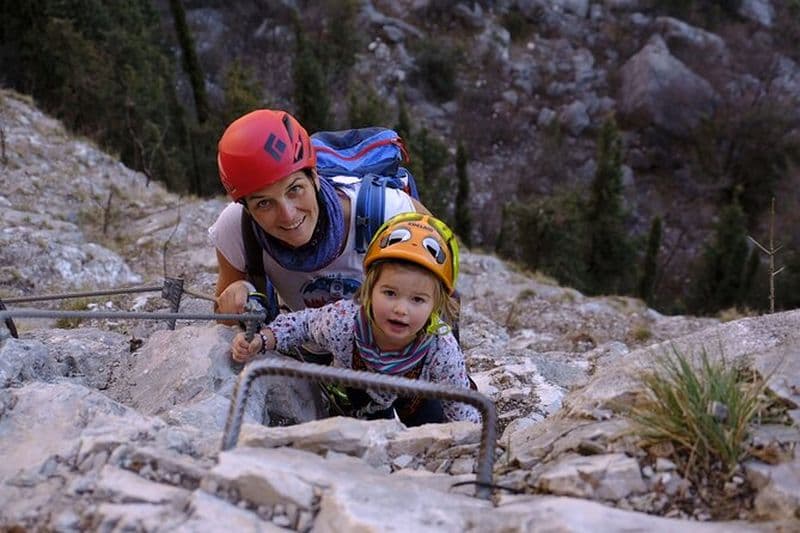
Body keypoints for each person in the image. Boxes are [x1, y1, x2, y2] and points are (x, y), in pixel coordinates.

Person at [230, 213, 480, 426]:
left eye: (417, 300)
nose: (401, 309)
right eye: (390, 293)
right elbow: (304, 324)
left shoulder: (441, 349)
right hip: (357, 396)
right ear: (369, 289)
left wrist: (468, 444)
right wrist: (263, 339)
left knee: (430, 427)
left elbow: (460, 407)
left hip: (415, 397)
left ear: (436, 306)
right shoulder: (344, 322)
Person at [209, 109, 429, 324]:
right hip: (301, 347)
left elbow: (443, 294)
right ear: (246, 207)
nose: (288, 215)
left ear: (314, 177)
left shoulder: (388, 212)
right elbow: (224, 319)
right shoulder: (237, 227)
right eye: (264, 203)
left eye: (295, 189)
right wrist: (238, 294)